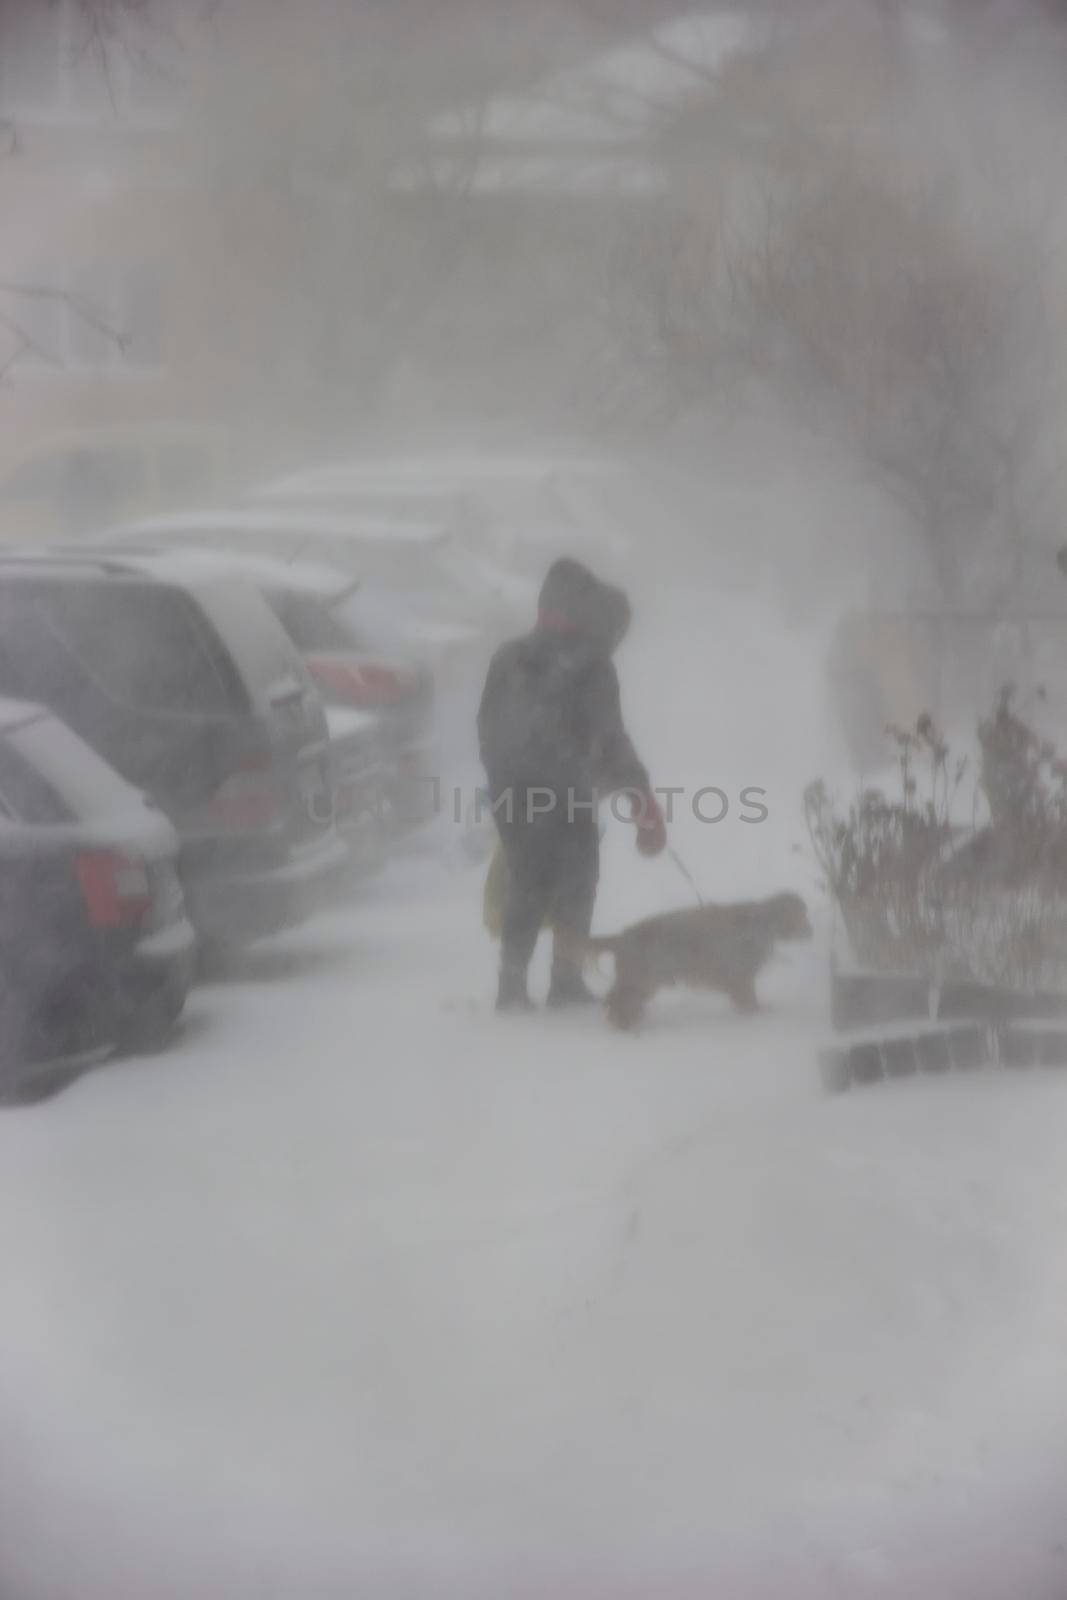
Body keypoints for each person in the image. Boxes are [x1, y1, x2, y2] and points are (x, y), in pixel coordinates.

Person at [477, 557, 666, 1011]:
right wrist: (638, 796)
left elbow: (488, 730)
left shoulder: (509, 657)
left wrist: (505, 784)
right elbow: (609, 738)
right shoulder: (592, 667)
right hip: (567, 795)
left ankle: (512, 987)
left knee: (527, 883)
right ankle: (565, 982)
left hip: (515, 795)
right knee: (577, 883)